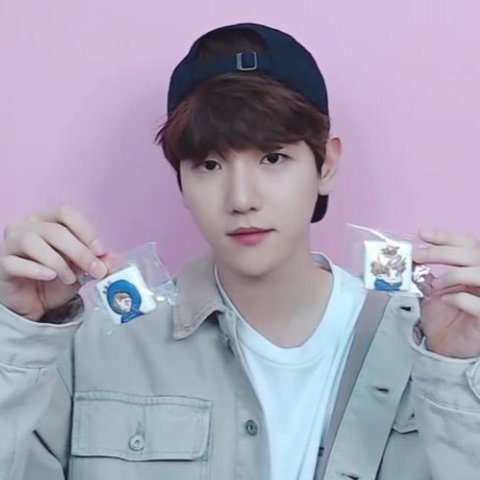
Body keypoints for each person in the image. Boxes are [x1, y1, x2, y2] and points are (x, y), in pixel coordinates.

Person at [1, 22, 480, 480]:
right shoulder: (97, 345)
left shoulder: (431, 343)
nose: (241, 198)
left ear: (326, 164)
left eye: (273, 158)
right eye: (209, 164)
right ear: (181, 178)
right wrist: (16, 335)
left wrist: (460, 374)